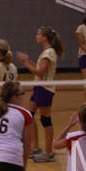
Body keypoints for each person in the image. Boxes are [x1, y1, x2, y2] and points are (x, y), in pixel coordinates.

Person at [16, 26, 64, 163]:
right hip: (39, 88)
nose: (36, 36)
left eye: (38, 34)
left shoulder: (48, 53)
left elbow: (40, 73)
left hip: (45, 89)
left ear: (45, 38)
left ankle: (49, 153)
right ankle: (35, 147)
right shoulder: (46, 52)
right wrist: (28, 60)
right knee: (29, 116)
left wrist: (25, 63)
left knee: (45, 120)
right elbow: (39, 69)